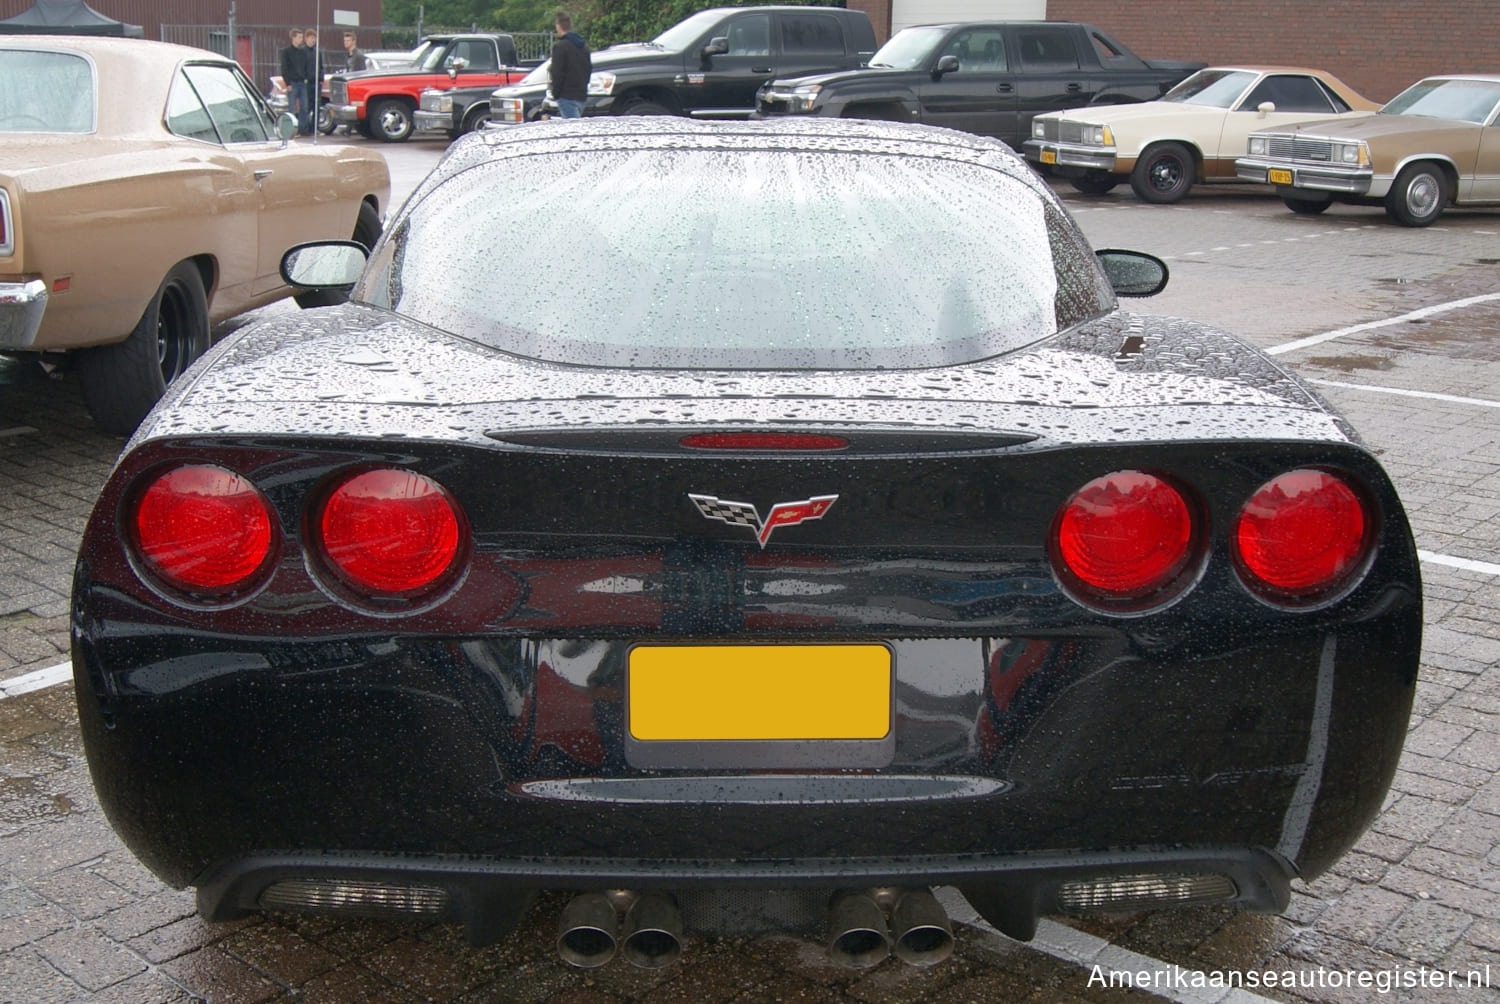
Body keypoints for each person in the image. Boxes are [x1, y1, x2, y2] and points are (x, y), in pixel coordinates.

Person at [549, 11, 591, 119]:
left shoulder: (560, 47)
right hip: (581, 96)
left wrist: (556, 93)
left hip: (566, 96)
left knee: (573, 131)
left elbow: (557, 72)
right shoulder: (583, 47)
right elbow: (588, 70)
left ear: (558, 26)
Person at [279, 28, 312, 136]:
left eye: (302, 37)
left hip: (302, 82)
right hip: (292, 83)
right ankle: (291, 130)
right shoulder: (287, 52)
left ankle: (303, 129)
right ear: (293, 38)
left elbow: (306, 66)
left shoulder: (303, 52)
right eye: (299, 37)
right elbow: (284, 68)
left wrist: (306, 78)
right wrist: (287, 83)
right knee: (292, 108)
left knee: (304, 107)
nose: (301, 40)